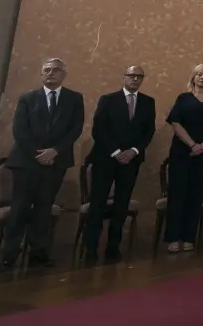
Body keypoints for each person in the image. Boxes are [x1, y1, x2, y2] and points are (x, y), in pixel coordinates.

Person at [0, 58, 85, 272]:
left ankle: (38, 253)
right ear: (41, 74)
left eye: (55, 70)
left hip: (56, 161)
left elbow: (75, 129)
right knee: (20, 208)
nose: (50, 73)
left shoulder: (74, 98)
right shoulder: (28, 98)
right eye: (46, 70)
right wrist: (40, 154)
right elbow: (20, 130)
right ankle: (9, 256)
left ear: (63, 74)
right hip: (26, 162)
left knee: (44, 209)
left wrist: (55, 151)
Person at [83, 65, 155, 264]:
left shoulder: (148, 102)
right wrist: (116, 152)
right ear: (124, 77)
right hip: (105, 159)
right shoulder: (108, 99)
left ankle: (113, 248)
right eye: (131, 75)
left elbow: (148, 132)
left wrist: (133, 151)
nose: (135, 79)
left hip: (131, 161)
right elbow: (99, 130)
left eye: (139, 76)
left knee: (121, 205)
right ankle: (91, 249)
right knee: (97, 204)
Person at [164, 63, 203, 253]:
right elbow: (175, 123)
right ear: (193, 77)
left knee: (196, 195)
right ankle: (173, 238)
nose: (202, 77)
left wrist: (202, 146)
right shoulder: (183, 98)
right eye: (199, 74)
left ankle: (189, 237)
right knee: (177, 195)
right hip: (181, 152)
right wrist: (192, 144)